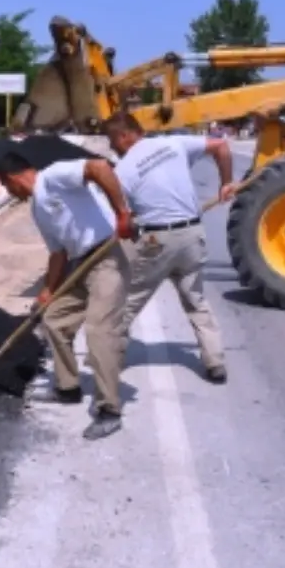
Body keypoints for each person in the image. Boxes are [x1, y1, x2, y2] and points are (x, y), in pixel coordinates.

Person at [0, 150, 134, 441]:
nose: (9, 193)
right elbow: (57, 253)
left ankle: (110, 410)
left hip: (107, 254)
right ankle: (67, 388)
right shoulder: (37, 209)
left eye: (6, 187)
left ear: (13, 179)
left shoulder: (54, 176)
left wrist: (122, 213)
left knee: (100, 331)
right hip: (80, 262)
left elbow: (99, 167)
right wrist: (47, 291)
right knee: (55, 320)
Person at [103, 112, 231, 383]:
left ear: (125, 135)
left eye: (113, 140)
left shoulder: (123, 171)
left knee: (127, 302)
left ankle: (109, 359)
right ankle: (215, 362)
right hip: (192, 235)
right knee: (196, 301)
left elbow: (121, 218)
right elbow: (221, 146)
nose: (112, 146)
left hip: (157, 242)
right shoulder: (174, 144)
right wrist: (227, 183)